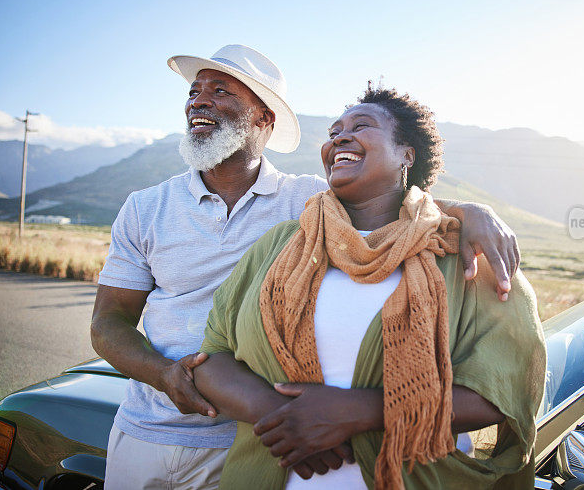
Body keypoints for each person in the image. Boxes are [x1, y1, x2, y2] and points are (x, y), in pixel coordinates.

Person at [90, 45, 524, 489]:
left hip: (247, 445)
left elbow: (392, 199)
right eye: (195, 92)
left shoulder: (310, 201)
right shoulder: (145, 208)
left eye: (221, 91)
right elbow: (108, 322)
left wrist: (473, 212)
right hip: (149, 430)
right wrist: (165, 376)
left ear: (264, 119)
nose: (198, 101)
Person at [194, 85, 546, 489]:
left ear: (407, 154)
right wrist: (285, 417)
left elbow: (501, 389)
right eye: (333, 131)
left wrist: (356, 412)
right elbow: (213, 356)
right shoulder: (278, 247)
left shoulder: (466, 257)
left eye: (362, 126)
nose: (339, 137)